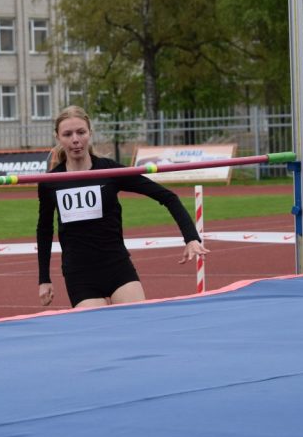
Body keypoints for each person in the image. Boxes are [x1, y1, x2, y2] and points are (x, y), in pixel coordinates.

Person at [36, 106, 208, 309]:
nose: (75, 139)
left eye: (81, 132)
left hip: (116, 265)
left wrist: (191, 238)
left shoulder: (110, 171)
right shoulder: (50, 182)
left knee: (136, 321)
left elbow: (168, 197)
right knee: (97, 326)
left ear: (90, 133)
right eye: (68, 134)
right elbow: (44, 230)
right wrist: (44, 279)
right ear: (58, 137)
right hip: (79, 273)